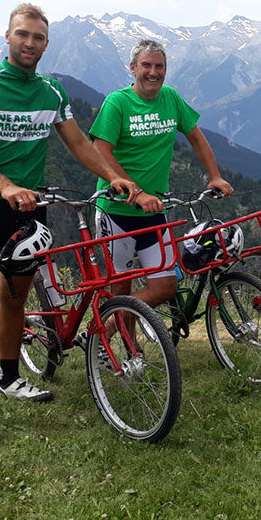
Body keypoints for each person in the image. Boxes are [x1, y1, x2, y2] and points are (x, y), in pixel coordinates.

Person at [0, 4, 135, 461]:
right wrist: (5, 185)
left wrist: (111, 175)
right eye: (22, 34)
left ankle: (10, 376)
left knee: (15, 299)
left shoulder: (52, 90)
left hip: (29, 212)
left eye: (38, 37)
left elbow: (77, 142)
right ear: (8, 36)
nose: (30, 43)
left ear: (46, 44)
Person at [87, 38, 233, 319]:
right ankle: (125, 353)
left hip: (155, 210)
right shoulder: (117, 103)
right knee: (121, 286)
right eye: (146, 65)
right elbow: (100, 151)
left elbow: (196, 137)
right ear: (132, 68)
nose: (153, 72)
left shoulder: (171, 98)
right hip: (117, 210)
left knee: (165, 286)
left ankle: (105, 330)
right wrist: (137, 192)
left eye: (159, 66)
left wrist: (214, 175)